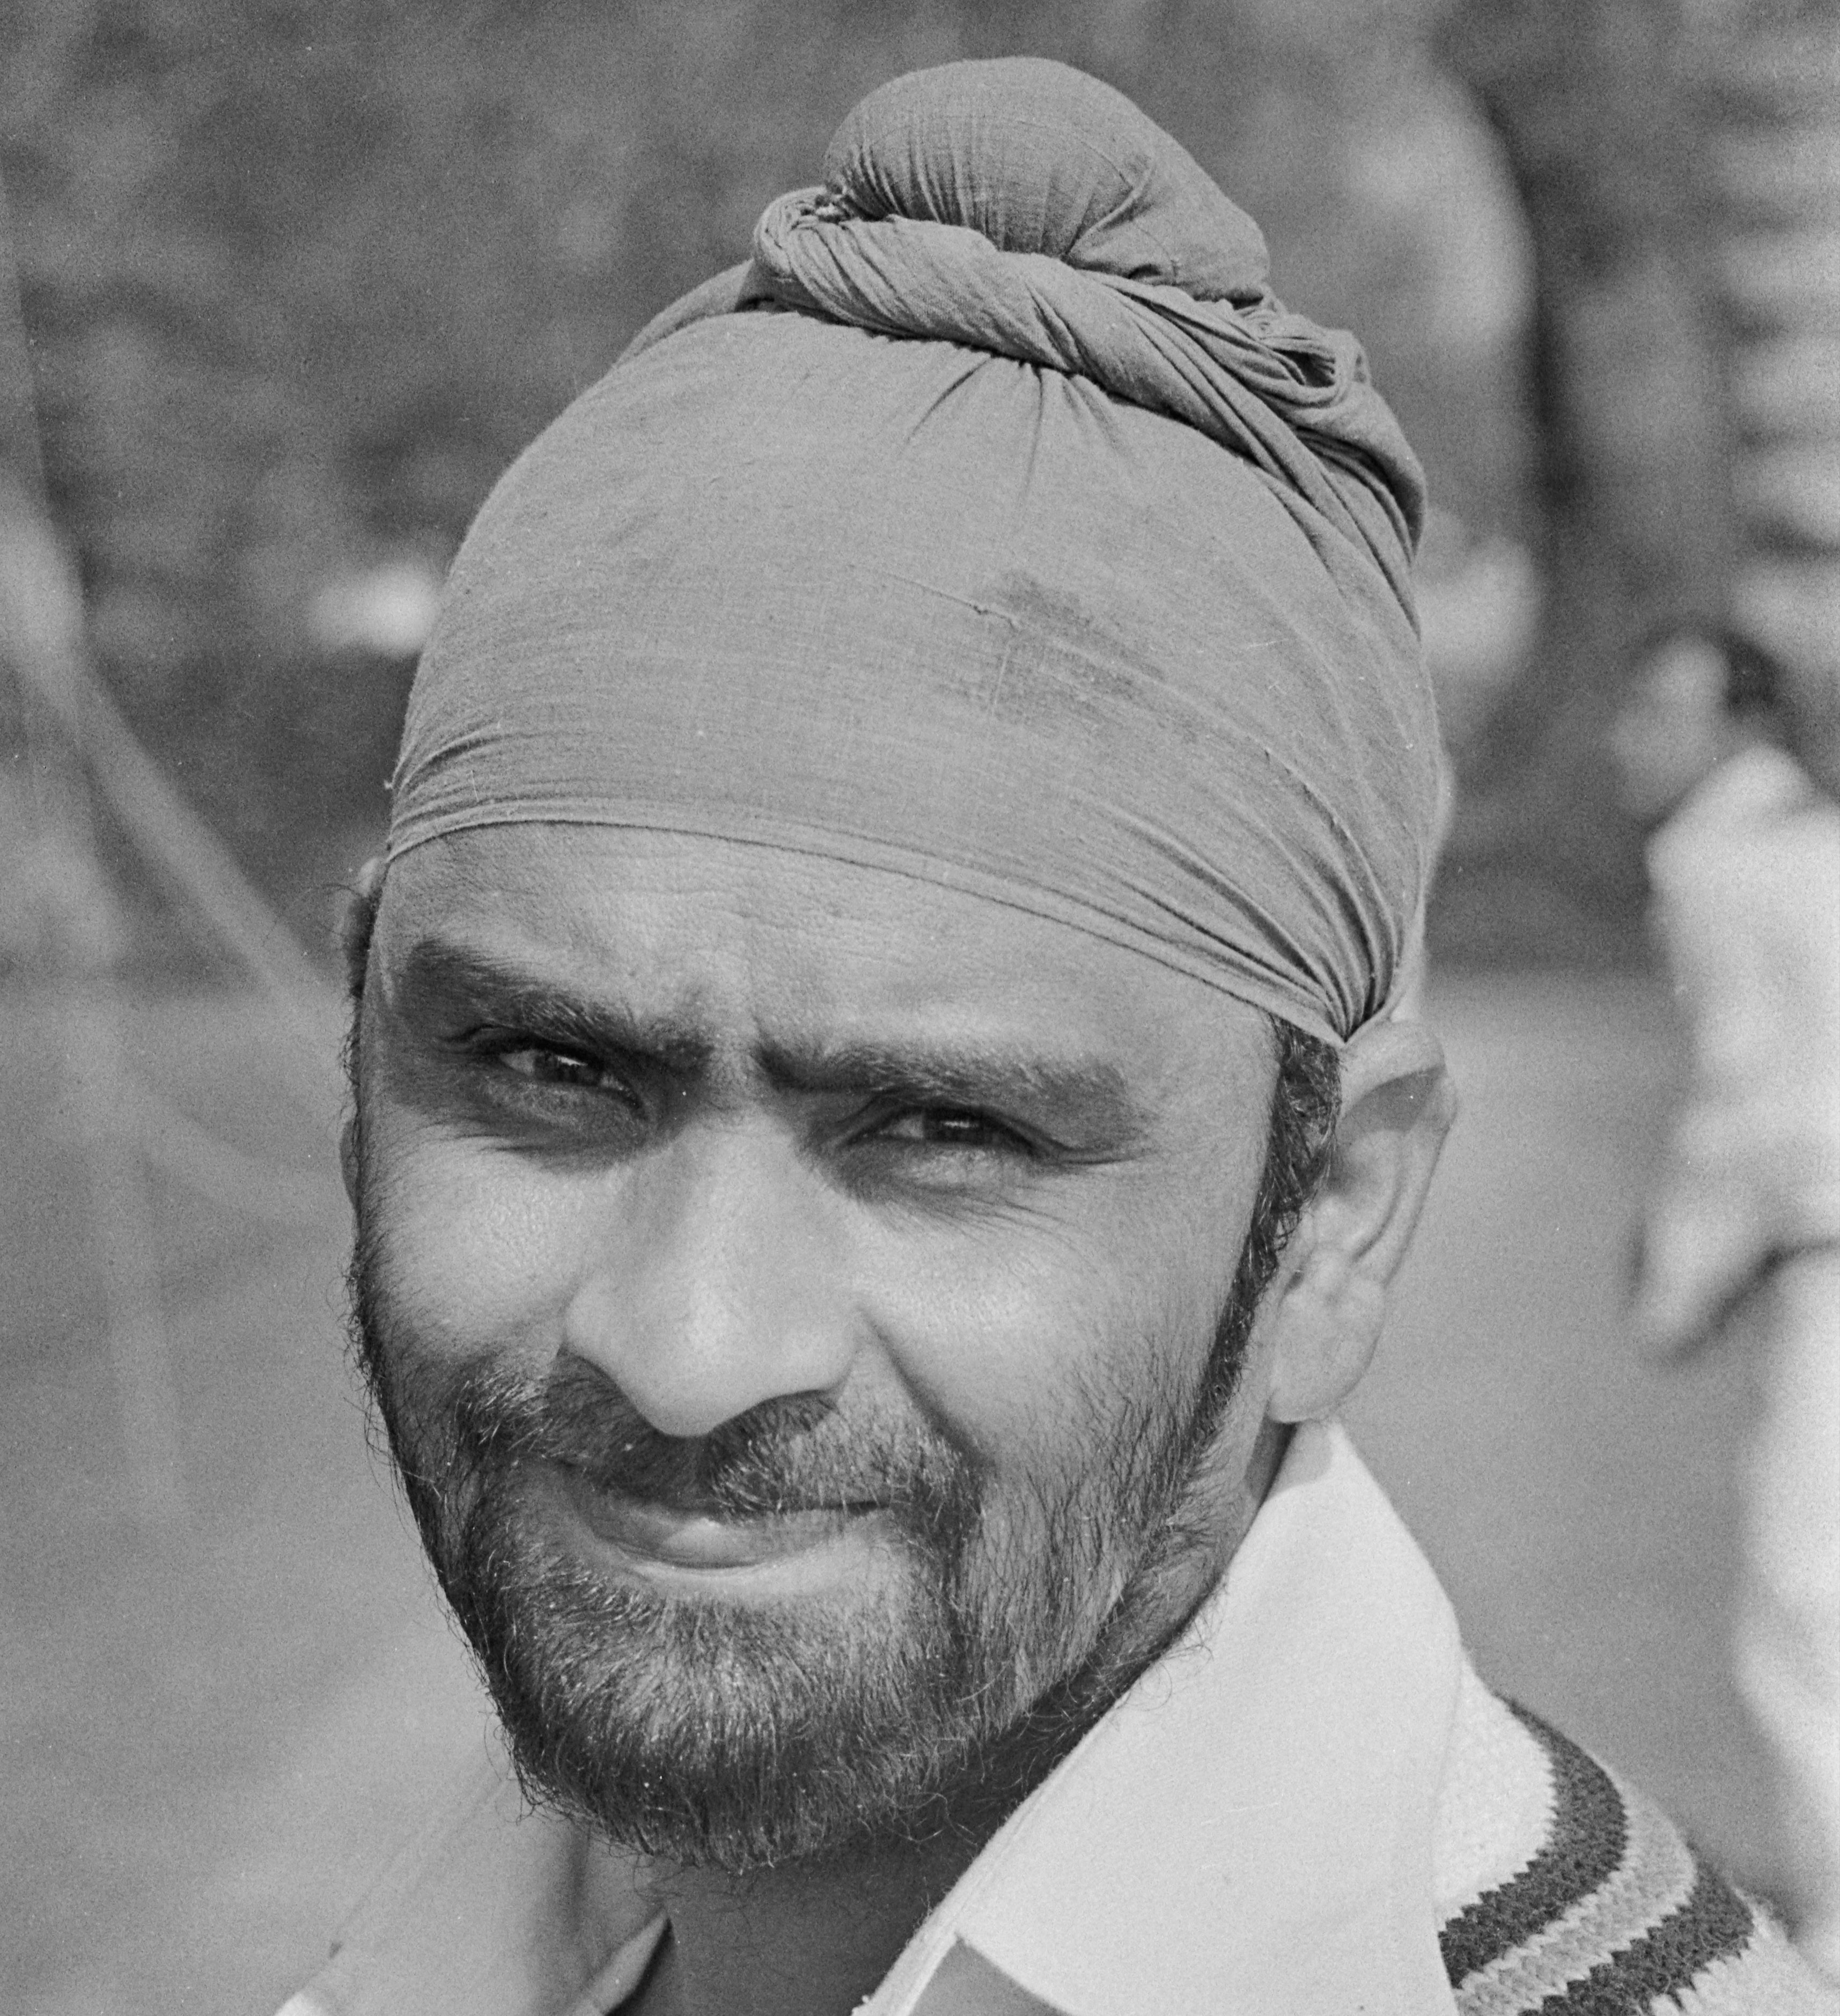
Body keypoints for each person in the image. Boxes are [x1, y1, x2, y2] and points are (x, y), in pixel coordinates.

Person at [284, 61, 1835, 2016]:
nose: (684, 1349)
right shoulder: (467, 1939)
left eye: (942, 1127)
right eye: (552, 1066)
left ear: (1333, 1218)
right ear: (359, 1071)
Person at [1613, 624, 1840, 1980]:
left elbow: (1745, 1103)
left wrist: (1675, 1279)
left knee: (1803, 1594)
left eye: (1656, 705)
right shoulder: (1803, 841)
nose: (1622, 735)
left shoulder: (1720, 854)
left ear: (1741, 722)